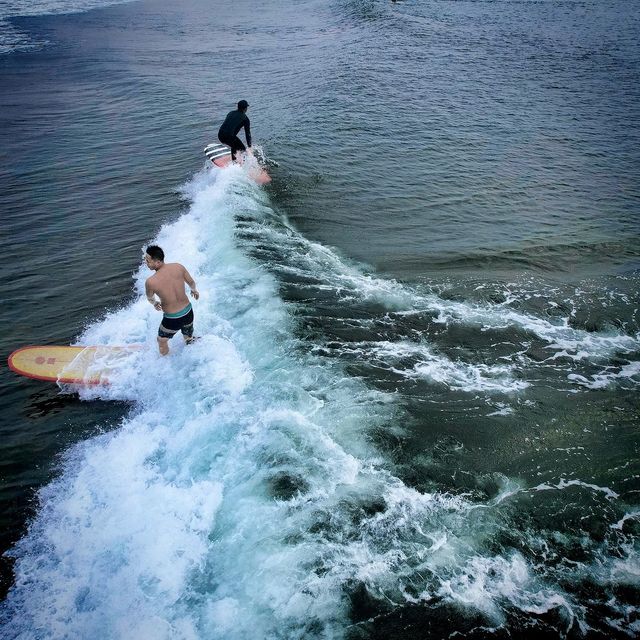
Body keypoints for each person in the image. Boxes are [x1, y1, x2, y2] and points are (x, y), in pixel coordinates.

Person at [144, 245, 200, 356]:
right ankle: (191, 349)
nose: (146, 263)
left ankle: (165, 361)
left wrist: (155, 303)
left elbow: (150, 298)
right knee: (188, 337)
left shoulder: (150, 282)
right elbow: (192, 282)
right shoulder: (178, 267)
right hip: (188, 312)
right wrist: (194, 291)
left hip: (172, 319)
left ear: (158, 262)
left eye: (148, 261)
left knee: (161, 340)